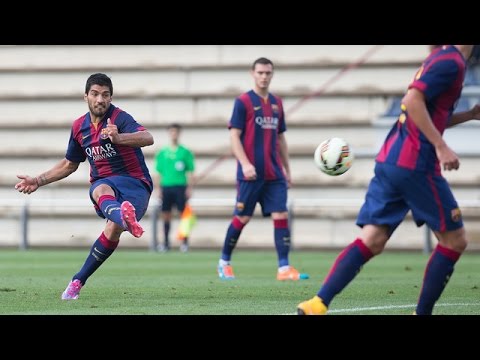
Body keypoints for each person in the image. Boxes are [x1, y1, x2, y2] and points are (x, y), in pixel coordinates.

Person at [297, 45, 480, 315]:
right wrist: (441, 146)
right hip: (416, 164)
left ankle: (317, 304)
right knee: (454, 240)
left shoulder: (440, 58)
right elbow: (412, 101)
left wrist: (470, 115)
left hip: (391, 160)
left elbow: (428, 112)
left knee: (373, 239)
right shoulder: (451, 61)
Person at [14, 73, 154, 300]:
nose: (100, 100)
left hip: (136, 185)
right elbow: (70, 164)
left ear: (111, 98)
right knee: (99, 188)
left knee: (112, 229)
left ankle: (79, 278)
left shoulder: (119, 118)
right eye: (95, 94)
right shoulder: (79, 126)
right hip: (105, 186)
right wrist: (38, 180)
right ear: (86, 97)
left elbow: (148, 138)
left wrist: (119, 138)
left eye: (106, 95)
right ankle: (122, 219)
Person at [216, 57, 309, 281]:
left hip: (274, 173)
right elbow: (234, 137)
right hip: (251, 174)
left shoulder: (277, 103)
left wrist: (287, 169)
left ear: (272, 74)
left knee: (281, 215)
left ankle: (284, 268)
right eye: (260, 73)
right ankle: (224, 262)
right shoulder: (243, 102)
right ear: (253, 73)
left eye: (268, 73)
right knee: (243, 217)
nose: (264, 76)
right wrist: (245, 164)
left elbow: (281, 139)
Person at [154, 123, 195, 252]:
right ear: (169, 133)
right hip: (166, 187)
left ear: (179, 133)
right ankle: (166, 243)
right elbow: (158, 172)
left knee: (184, 215)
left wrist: (190, 188)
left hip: (180, 186)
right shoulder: (163, 152)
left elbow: (190, 171)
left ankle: (185, 243)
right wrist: (158, 188)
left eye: (176, 132)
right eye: (172, 132)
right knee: (166, 215)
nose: (174, 134)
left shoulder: (185, 152)